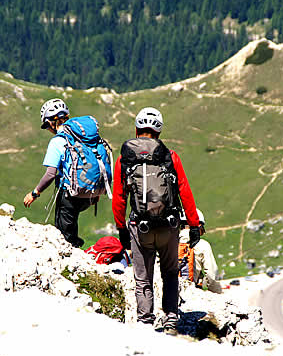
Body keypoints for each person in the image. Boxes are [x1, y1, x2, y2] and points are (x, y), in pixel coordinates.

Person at [112, 107, 203, 334]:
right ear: (159, 132)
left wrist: (122, 228)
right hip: (169, 226)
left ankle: (145, 322)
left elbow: (119, 197)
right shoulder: (170, 157)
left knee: (143, 277)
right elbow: (185, 192)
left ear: (136, 128)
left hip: (139, 227)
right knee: (170, 272)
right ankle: (171, 318)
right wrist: (193, 224)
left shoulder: (125, 158)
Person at [23, 99, 99, 247]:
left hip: (70, 194)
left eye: (47, 125)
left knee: (64, 236)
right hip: (90, 193)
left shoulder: (58, 141)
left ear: (52, 121)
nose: (48, 130)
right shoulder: (85, 137)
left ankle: (71, 259)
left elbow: (50, 174)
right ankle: (76, 246)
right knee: (72, 225)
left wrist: (35, 193)